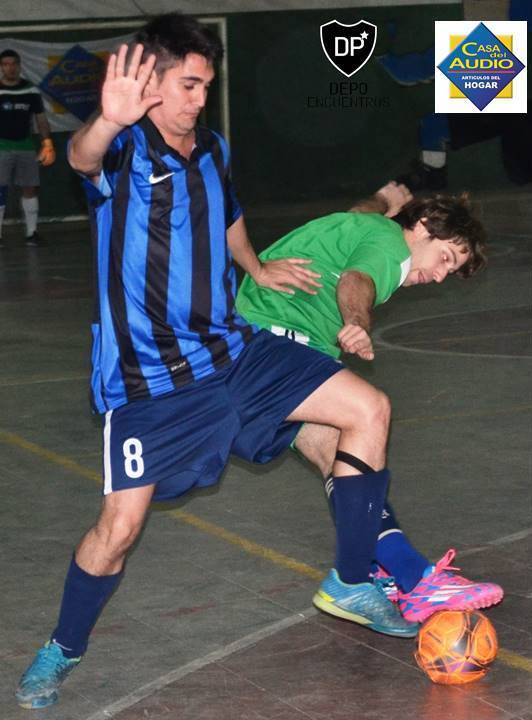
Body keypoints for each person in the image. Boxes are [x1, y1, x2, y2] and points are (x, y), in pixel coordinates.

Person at [16, 12, 418, 711]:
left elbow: (226, 210)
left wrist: (254, 266)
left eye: (207, 86)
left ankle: (352, 579)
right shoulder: (124, 148)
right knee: (118, 532)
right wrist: (106, 120)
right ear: (150, 82)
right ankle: (62, 647)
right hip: (150, 381)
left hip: (233, 352)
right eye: (188, 86)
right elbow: (82, 159)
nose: (199, 100)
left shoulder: (212, 147)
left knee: (367, 409)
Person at [236, 183, 504, 621]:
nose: (440, 276)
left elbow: (358, 219)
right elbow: (356, 281)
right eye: (445, 258)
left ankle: (405, 575)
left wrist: (382, 201)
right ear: (422, 227)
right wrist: (357, 322)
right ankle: (355, 580)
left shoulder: (370, 226)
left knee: (343, 460)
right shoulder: (391, 246)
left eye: (451, 271)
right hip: (272, 344)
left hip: (258, 345)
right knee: (370, 409)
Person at [0, 49, 55, 248]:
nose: (10, 68)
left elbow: (41, 119)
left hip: (26, 146)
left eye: (13, 64)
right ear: (1, 67)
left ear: (19, 65)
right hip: (1, 147)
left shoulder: (31, 90)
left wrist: (47, 143)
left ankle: (31, 234)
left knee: (30, 188)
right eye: (6, 64)